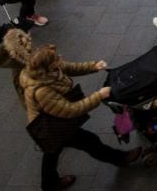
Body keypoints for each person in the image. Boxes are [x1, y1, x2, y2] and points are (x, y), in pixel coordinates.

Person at [18, 44, 149, 190]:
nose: (60, 59)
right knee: (89, 141)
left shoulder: (49, 70)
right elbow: (71, 110)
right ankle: (121, 158)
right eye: (56, 59)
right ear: (47, 67)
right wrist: (99, 95)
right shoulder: (42, 92)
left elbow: (70, 68)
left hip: (51, 125)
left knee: (52, 151)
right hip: (53, 127)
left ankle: (49, 184)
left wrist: (93, 66)